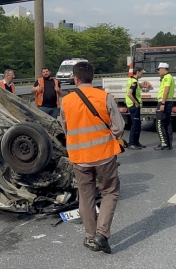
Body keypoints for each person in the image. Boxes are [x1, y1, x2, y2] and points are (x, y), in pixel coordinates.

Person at [58, 61, 124, 254]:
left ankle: (89, 236)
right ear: (93, 77)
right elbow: (119, 128)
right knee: (110, 192)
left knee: (85, 196)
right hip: (104, 155)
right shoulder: (104, 97)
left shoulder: (66, 101)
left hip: (79, 157)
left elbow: (66, 128)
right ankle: (101, 235)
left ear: (75, 78)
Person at [125, 66, 148, 150]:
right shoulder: (134, 82)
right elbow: (129, 93)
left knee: (138, 124)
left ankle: (136, 142)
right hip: (133, 105)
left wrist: (146, 87)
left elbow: (138, 86)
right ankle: (131, 143)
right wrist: (135, 102)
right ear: (137, 72)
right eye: (141, 72)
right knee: (135, 125)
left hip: (133, 105)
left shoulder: (133, 80)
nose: (142, 74)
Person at [155, 62, 175, 150]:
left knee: (160, 123)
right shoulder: (168, 77)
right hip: (168, 102)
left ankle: (164, 143)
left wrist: (163, 103)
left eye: (159, 69)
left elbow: (166, 90)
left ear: (164, 69)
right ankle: (169, 143)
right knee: (167, 123)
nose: (158, 71)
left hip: (164, 102)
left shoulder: (167, 78)